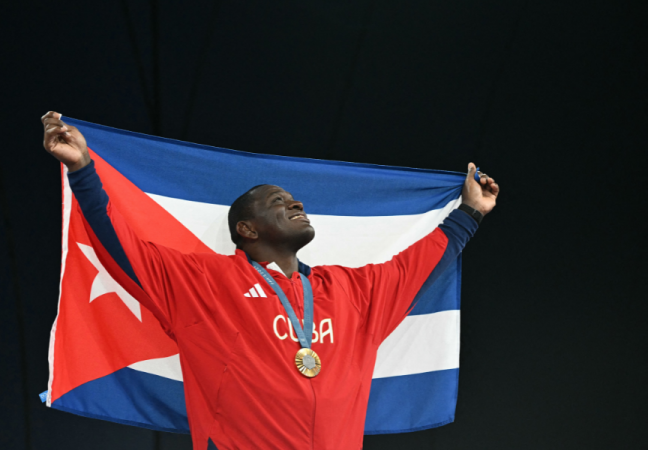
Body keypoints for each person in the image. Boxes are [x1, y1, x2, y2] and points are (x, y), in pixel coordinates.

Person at [41, 111, 499, 450]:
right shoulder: (203, 283)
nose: (296, 204)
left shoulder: (350, 293)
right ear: (247, 229)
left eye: (296, 200)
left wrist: (471, 213)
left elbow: (412, 268)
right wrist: (82, 170)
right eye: (278, 201)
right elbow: (123, 248)